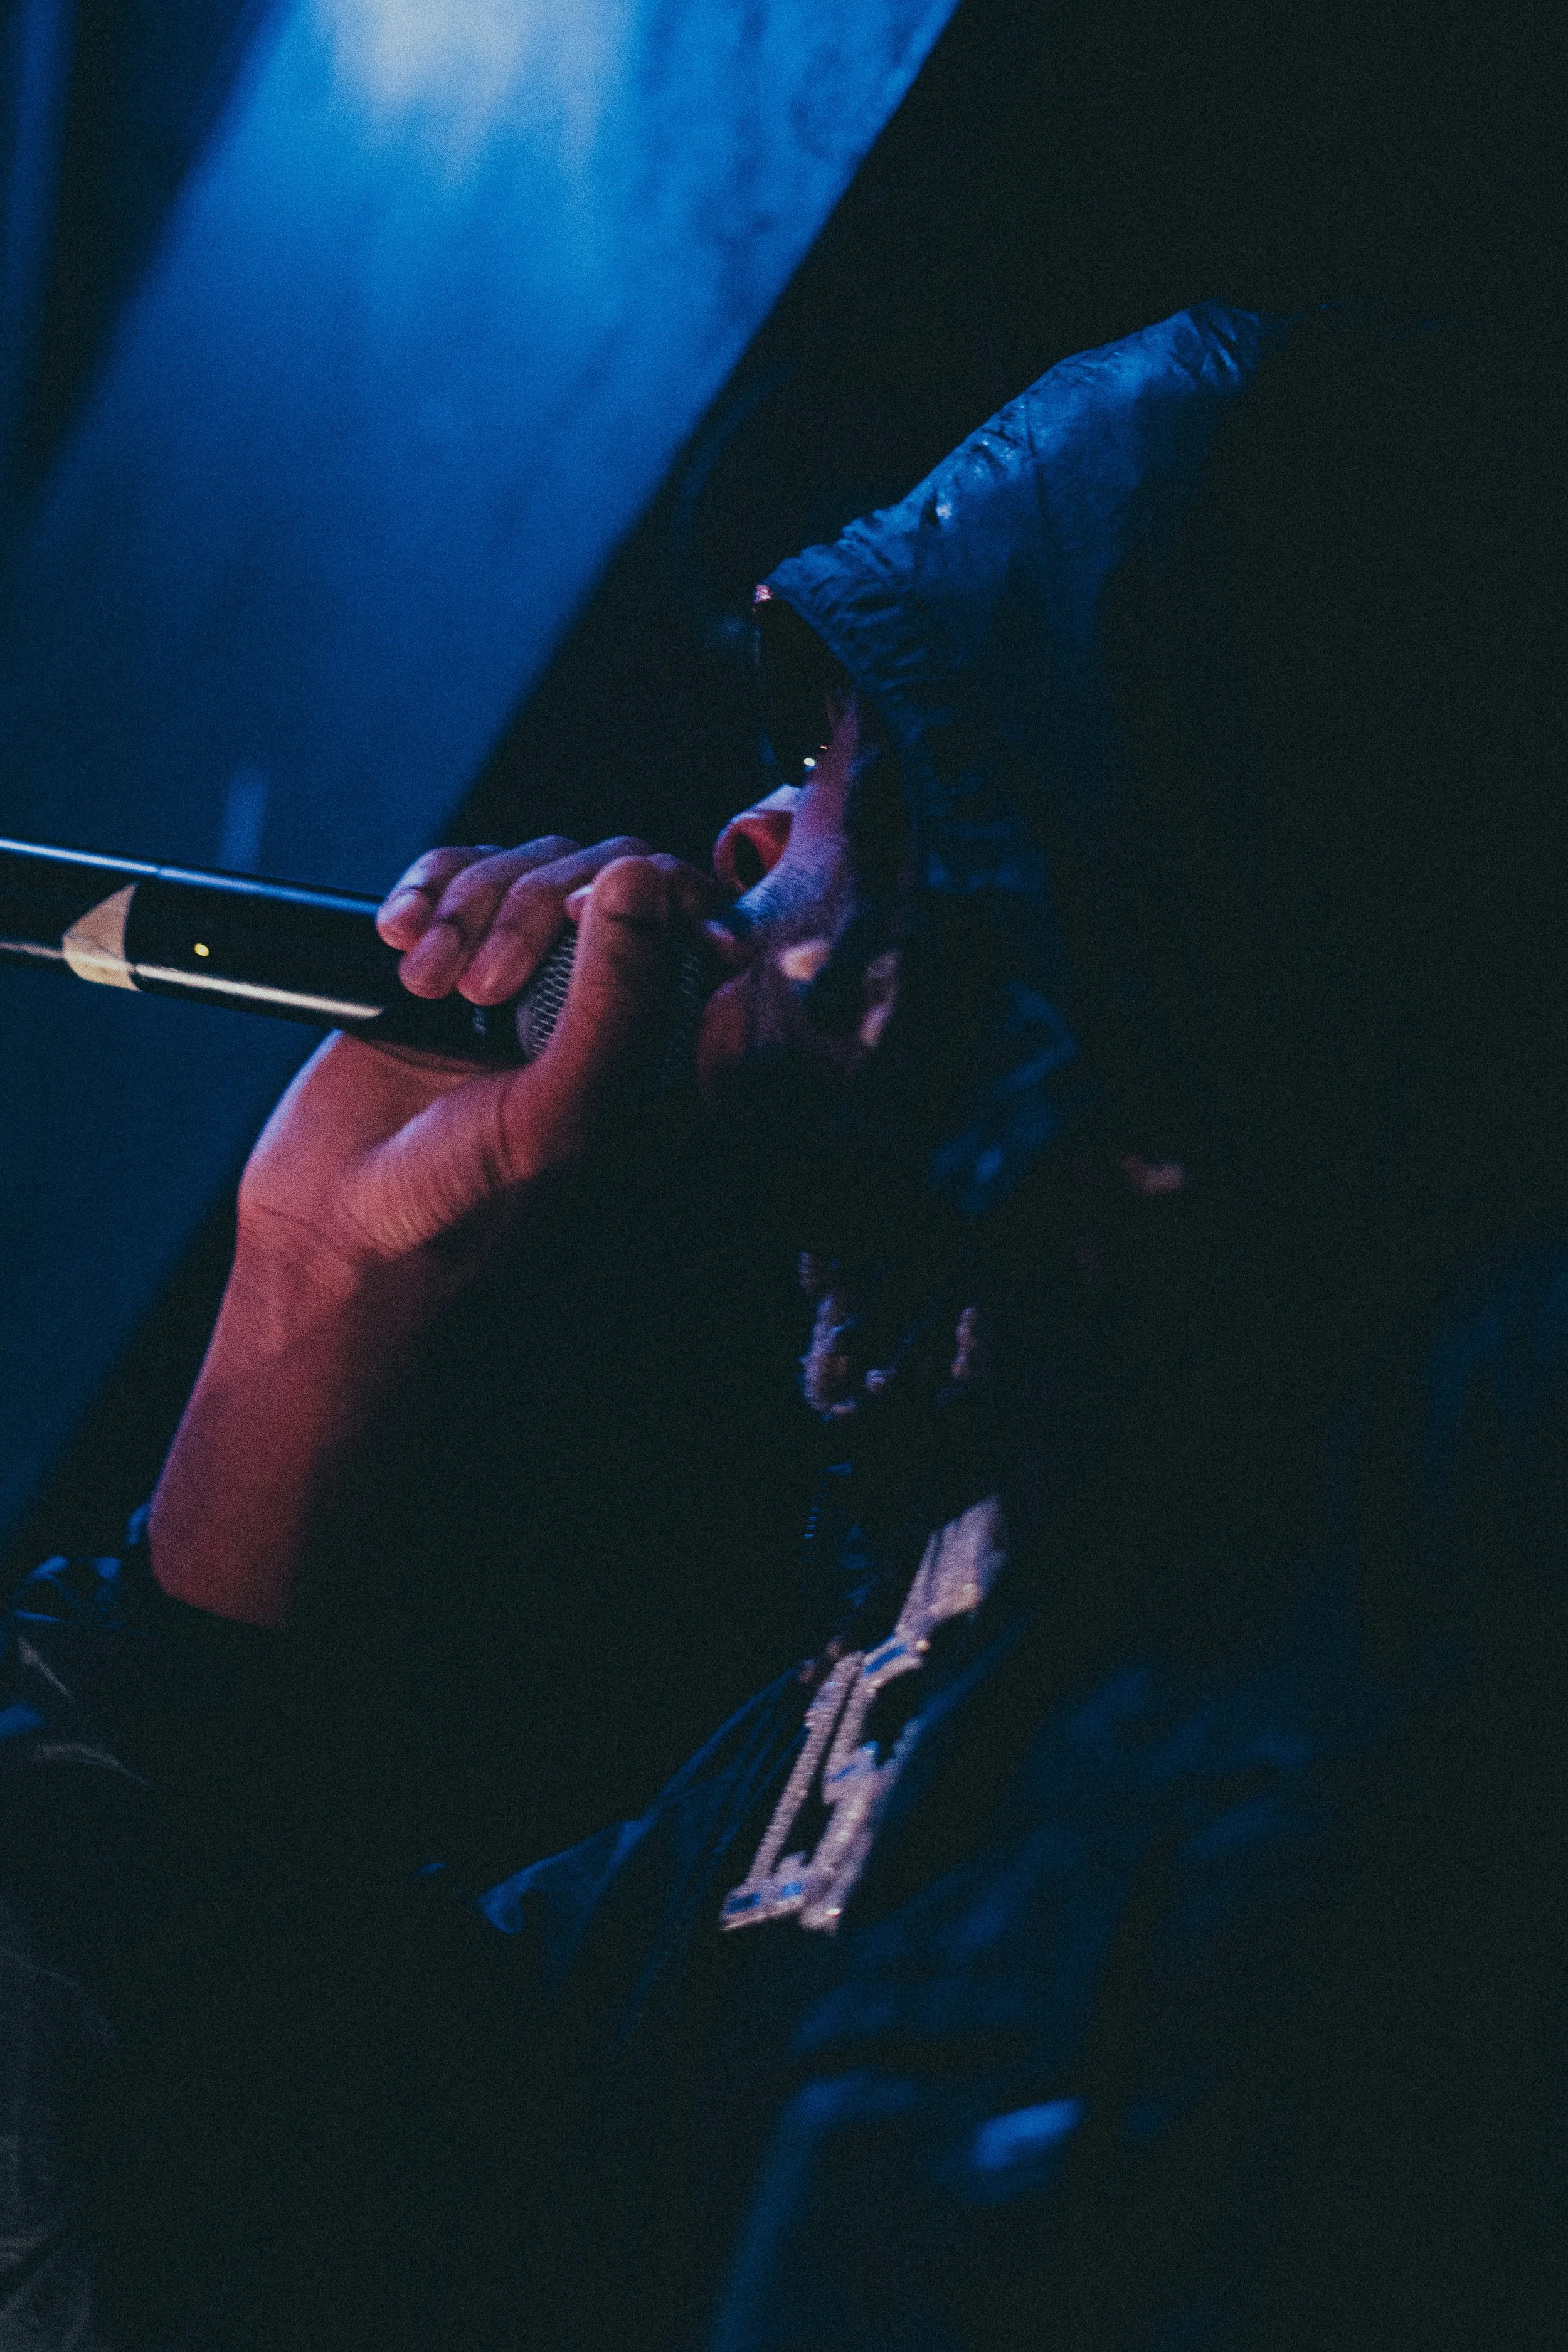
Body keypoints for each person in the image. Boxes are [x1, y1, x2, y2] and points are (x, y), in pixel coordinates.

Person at [2, 299, 1565, 2351]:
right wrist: (321, 1284)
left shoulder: (1427, 1504)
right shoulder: (835, 1720)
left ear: (1113, 814)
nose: (737, 832)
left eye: (846, 759)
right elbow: (267, 2217)